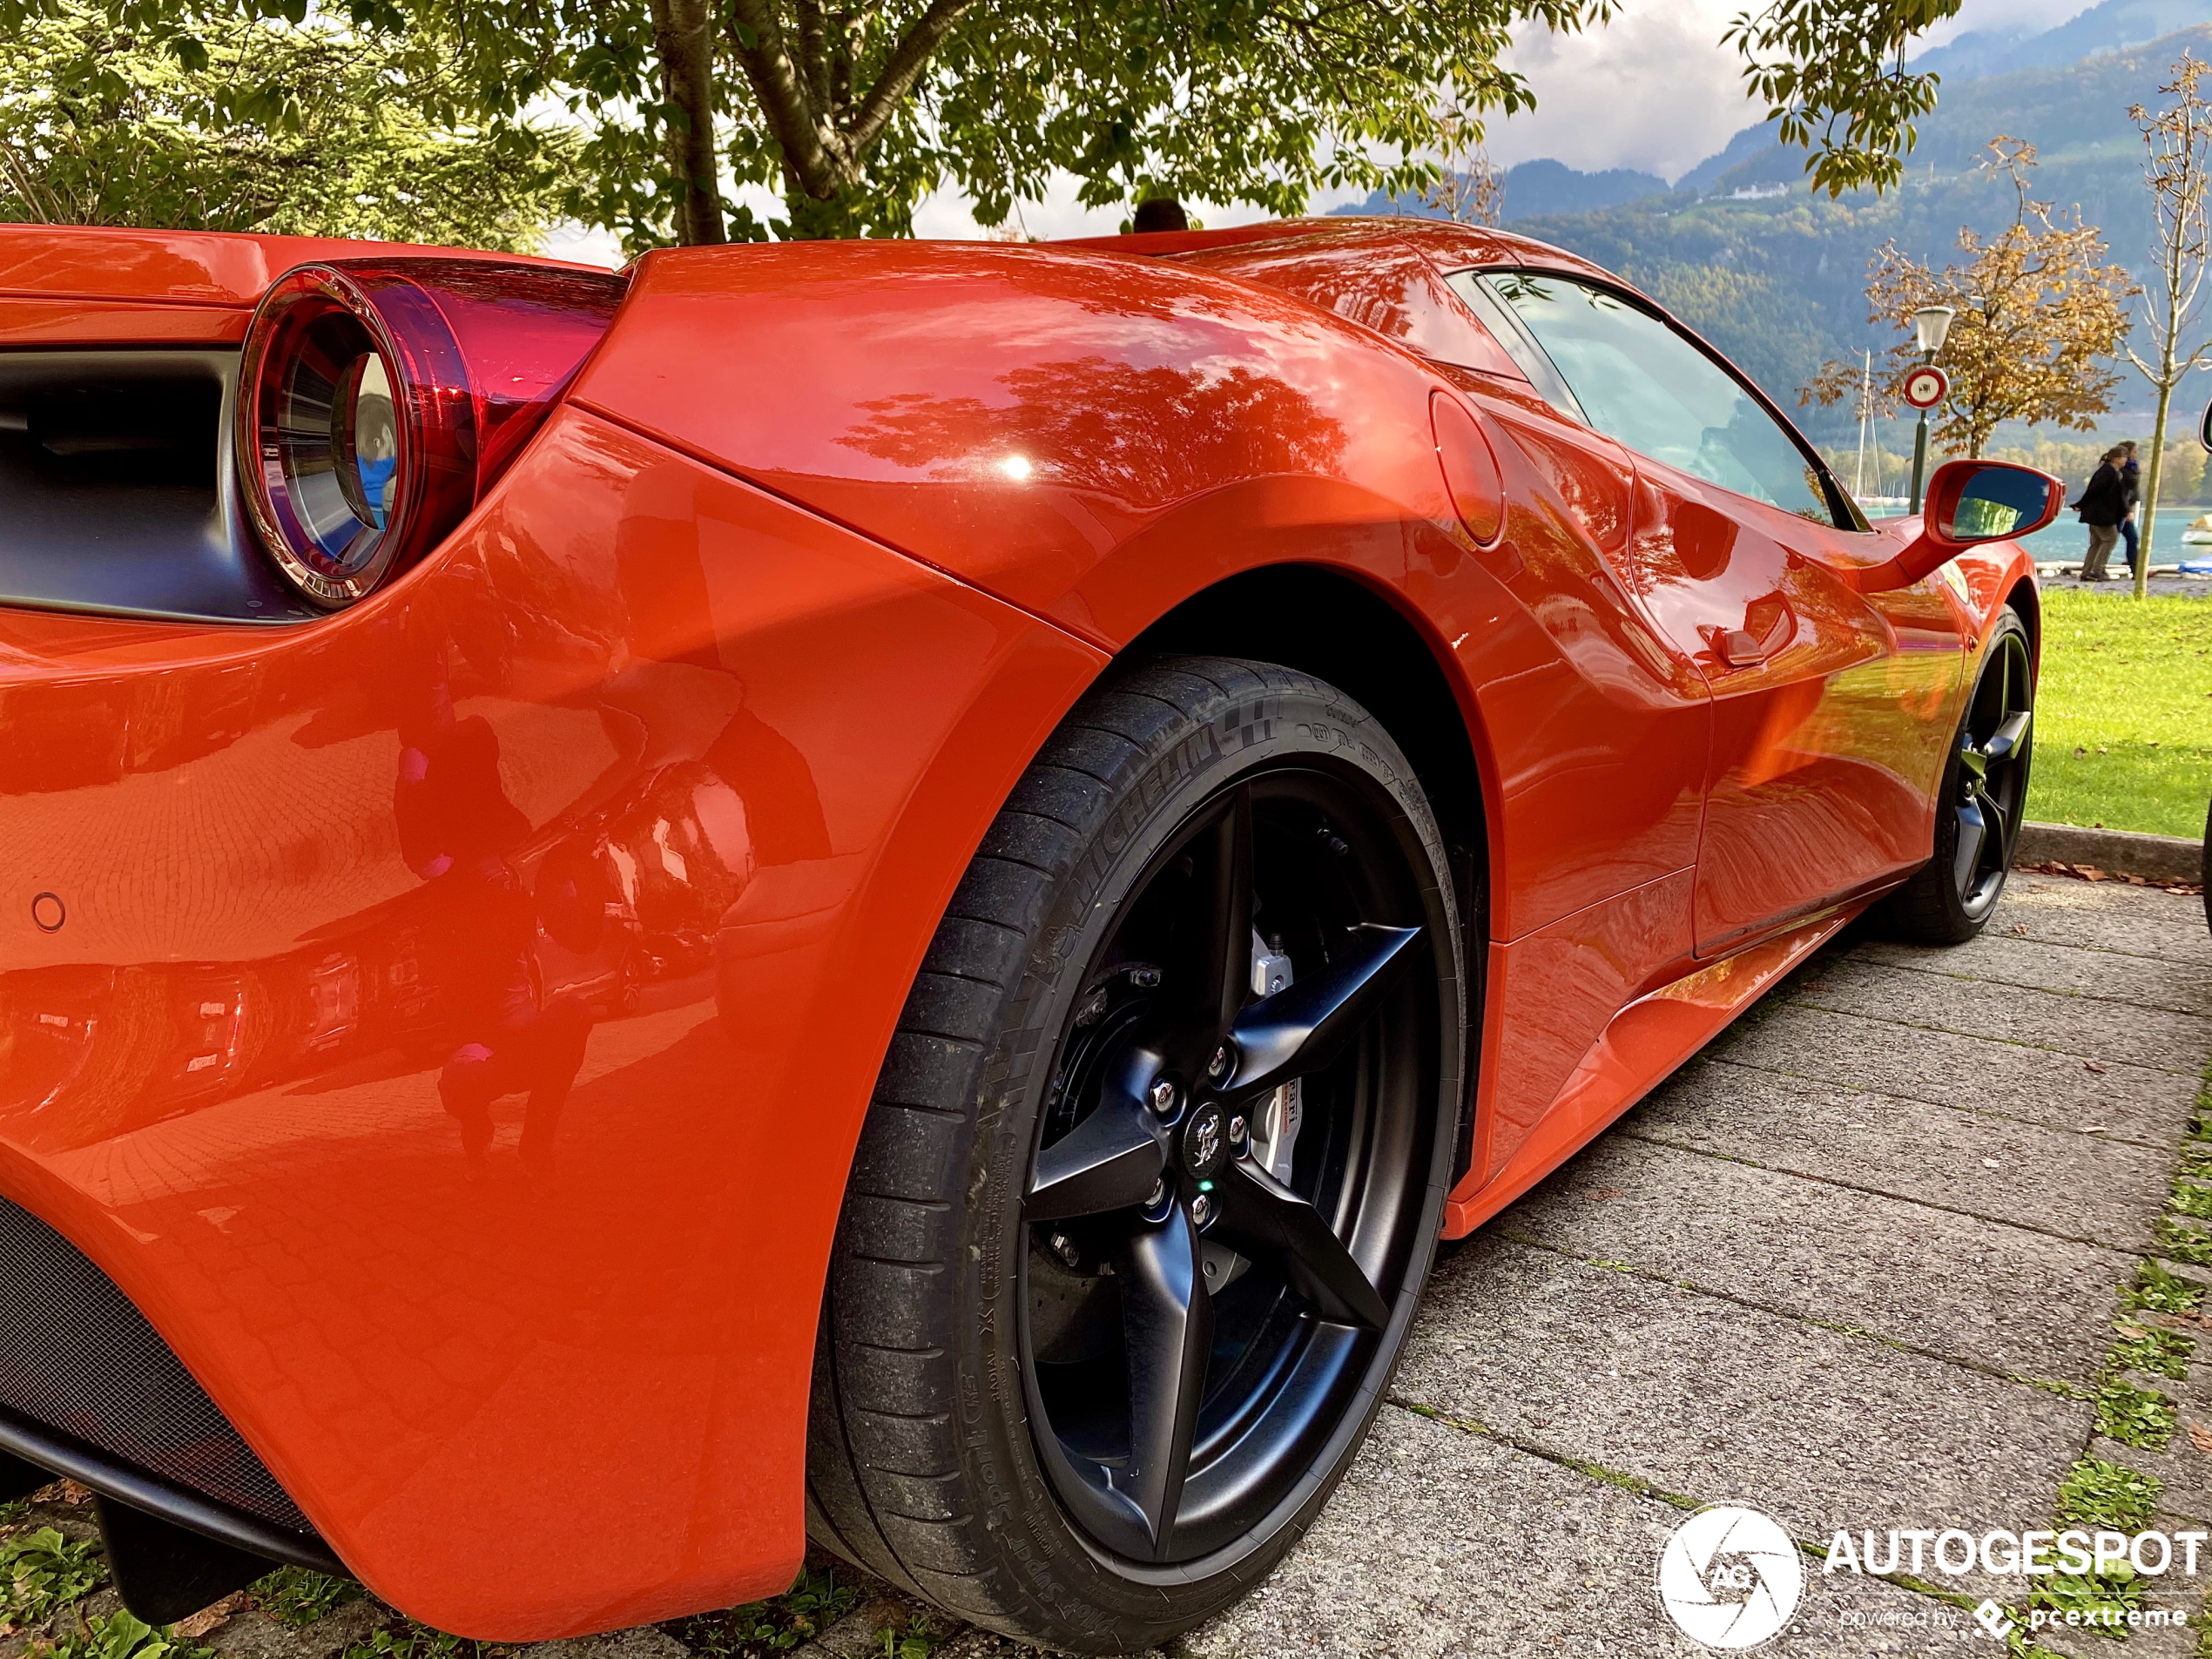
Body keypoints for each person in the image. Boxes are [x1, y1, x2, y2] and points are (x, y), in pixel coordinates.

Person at [2073, 447, 2128, 581]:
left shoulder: (2107, 471)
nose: (2126, 460)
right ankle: (2098, 570)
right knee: (2110, 539)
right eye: (2124, 457)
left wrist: (2081, 504)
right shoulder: (2109, 473)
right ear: (2117, 458)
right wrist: (2081, 504)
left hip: (2095, 514)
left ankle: (2087, 571)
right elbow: (2095, 491)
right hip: (2102, 515)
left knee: (2096, 542)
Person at [2117, 441, 2142, 576]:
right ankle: (2135, 568)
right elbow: (2123, 492)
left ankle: (2135, 567)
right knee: (2130, 537)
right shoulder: (2122, 471)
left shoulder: (2133, 468)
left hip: (2129, 507)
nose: (2136, 455)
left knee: (2131, 538)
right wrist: (2127, 510)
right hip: (2123, 509)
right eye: (2134, 452)